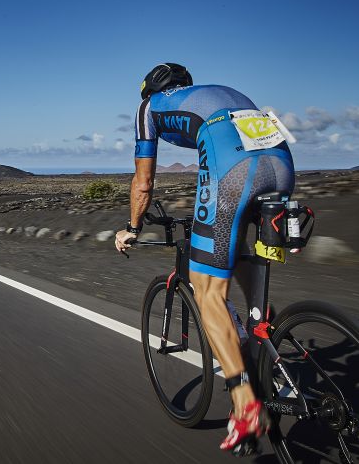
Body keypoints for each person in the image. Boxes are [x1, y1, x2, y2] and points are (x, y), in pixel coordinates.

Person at [115, 63, 295, 454]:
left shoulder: (149, 107)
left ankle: (246, 404)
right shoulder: (221, 90)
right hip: (281, 164)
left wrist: (132, 225)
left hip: (232, 170)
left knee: (207, 291)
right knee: (241, 251)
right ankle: (261, 334)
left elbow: (143, 182)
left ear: (149, 90)